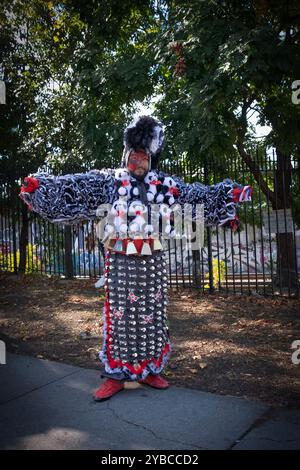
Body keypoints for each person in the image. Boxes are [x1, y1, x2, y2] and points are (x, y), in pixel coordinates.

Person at [20, 115, 251, 402]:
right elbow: (75, 189)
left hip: (152, 262)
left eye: (144, 158)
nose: (138, 163)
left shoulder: (164, 185)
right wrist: (40, 189)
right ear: (125, 154)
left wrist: (226, 199)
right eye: (134, 156)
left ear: (151, 158)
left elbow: (194, 196)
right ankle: (117, 375)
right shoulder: (108, 182)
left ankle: (149, 370)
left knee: (152, 317)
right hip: (119, 262)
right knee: (120, 319)